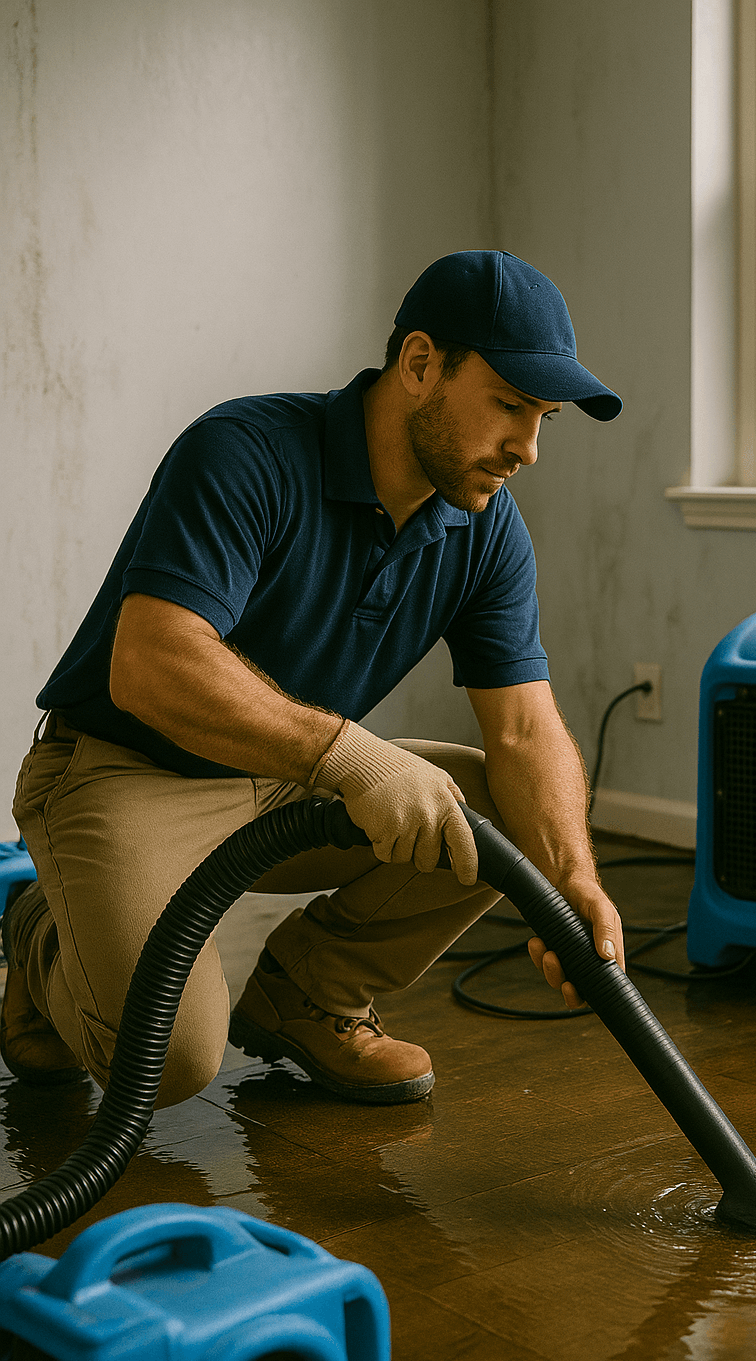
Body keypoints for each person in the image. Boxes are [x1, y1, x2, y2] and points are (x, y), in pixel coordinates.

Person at [2, 250, 624, 1110]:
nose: (528, 447)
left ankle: (308, 994)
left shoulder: (482, 524)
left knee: (495, 819)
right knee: (169, 1063)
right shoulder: (246, 451)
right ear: (419, 365)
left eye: (544, 415)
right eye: (510, 406)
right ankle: (37, 938)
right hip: (124, 770)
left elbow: (522, 729)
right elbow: (151, 662)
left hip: (281, 781)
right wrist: (351, 756)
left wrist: (573, 879)